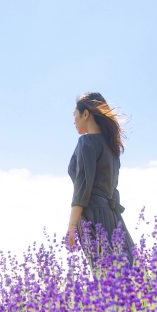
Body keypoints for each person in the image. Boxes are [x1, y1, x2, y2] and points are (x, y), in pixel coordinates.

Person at [66, 92, 135, 267]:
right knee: (130, 273)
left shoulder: (86, 143)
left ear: (86, 114)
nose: (74, 121)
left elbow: (82, 188)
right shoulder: (112, 149)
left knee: (104, 276)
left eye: (75, 116)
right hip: (114, 216)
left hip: (92, 216)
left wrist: (72, 226)